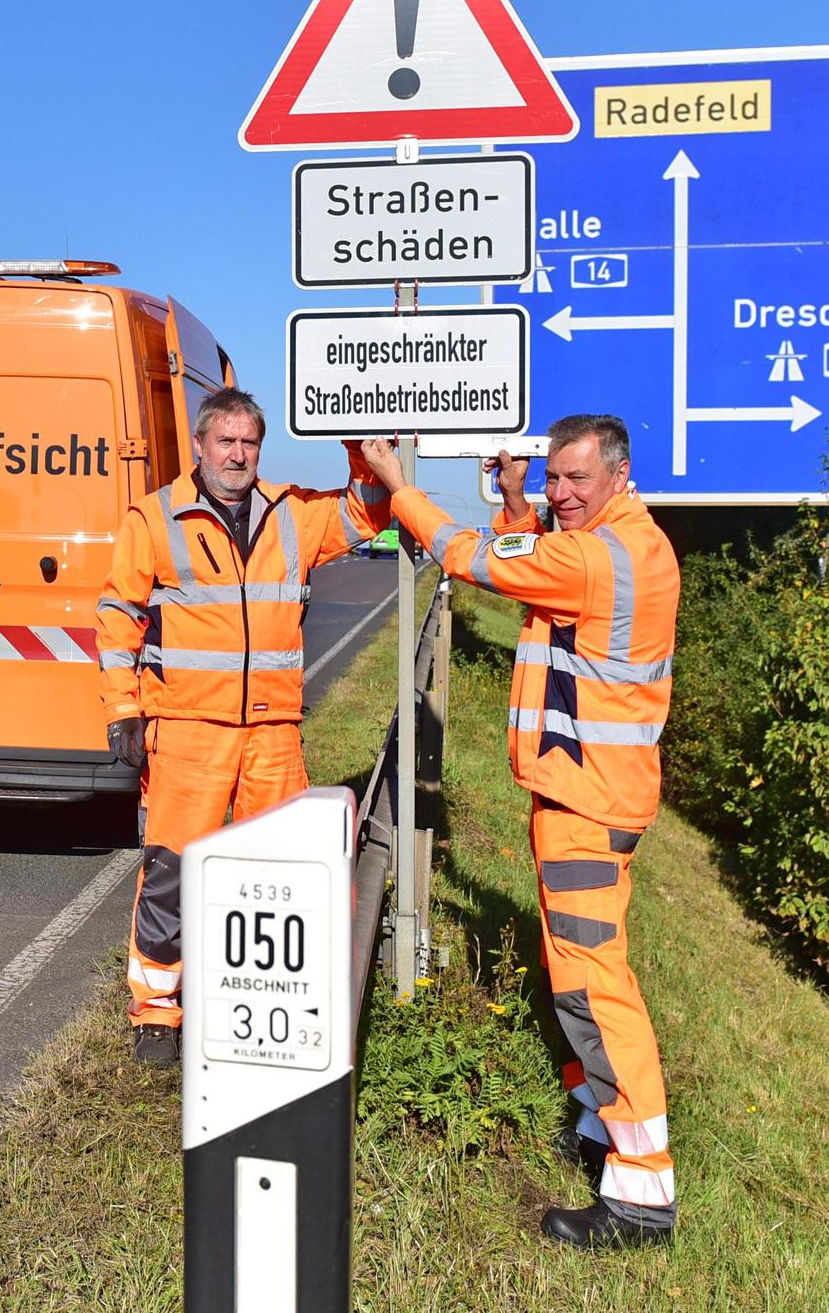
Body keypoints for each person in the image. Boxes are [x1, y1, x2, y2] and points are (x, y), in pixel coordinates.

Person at [358, 416, 680, 1249]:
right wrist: (514, 501)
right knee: (574, 970)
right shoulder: (619, 543)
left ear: (618, 474)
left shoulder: (597, 556)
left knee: (592, 986)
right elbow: (538, 570)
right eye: (551, 479)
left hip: (588, 804)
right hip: (587, 794)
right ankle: (595, 1123)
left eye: (575, 480)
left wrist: (399, 491)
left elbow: (474, 559)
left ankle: (640, 1195)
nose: (559, 494)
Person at [95, 387, 390, 1067]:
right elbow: (117, 617)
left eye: (247, 443)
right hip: (187, 730)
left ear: (259, 448)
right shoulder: (154, 518)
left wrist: (356, 446)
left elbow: (370, 515)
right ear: (199, 446)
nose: (236, 454)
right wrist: (121, 707)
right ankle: (156, 1012)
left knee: (277, 874)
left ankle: (259, 1003)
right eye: (224, 441)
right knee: (169, 871)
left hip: (272, 732)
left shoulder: (291, 514)